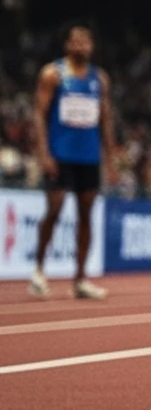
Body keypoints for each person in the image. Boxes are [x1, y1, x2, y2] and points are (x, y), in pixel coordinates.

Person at [29, 22, 112, 299]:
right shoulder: (53, 74)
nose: (82, 46)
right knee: (54, 209)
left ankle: (79, 279)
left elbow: (106, 119)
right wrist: (44, 153)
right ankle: (39, 271)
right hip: (60, 155)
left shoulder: (99, 79)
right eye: (76, 41)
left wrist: (109, 159)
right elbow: (39, 115)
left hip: (88, 156)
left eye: (86, 41)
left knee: (86, 215)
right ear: (67, 45)